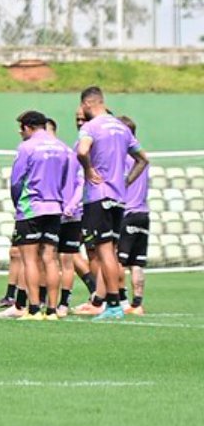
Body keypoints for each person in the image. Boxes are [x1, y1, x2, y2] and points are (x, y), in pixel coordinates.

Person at [76, 87, 149, 321]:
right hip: (118, 197)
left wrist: (88, 170)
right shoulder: (122, 128)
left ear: (87, 104)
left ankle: (114, 305)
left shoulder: (91, 127)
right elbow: (143, 159)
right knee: (112, 251)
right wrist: (126, 181)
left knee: (104, 251)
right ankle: (117, 302)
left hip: (99, 195)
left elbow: (82, 150)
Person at [10, 110, 71, 321]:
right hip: (54, 207)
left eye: (21, 128)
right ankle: (52, 310)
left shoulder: (26, 147)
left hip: (31, 208)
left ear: (28, 127)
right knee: (51, 259)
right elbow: (68, 180)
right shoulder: (62, 147)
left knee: (30, 261)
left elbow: (16, 181)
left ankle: (34, 309)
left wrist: (17, 204)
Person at [49, 115, 94, 317]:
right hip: (71, 212)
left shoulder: (47, 153)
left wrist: (68, 205)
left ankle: (48, 304)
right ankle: (61, 305)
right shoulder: (70, 151)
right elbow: (80, 182)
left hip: (53, 212)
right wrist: (73, 205)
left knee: (50, 259)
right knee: (65, 260)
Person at [117, 115, 149, 316]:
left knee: (117, 260)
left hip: (127, 212)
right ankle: (137, 304)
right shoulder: (142, 160)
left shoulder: (123, 159)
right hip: (143, 213)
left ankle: (121, 300)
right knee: (136, 263)